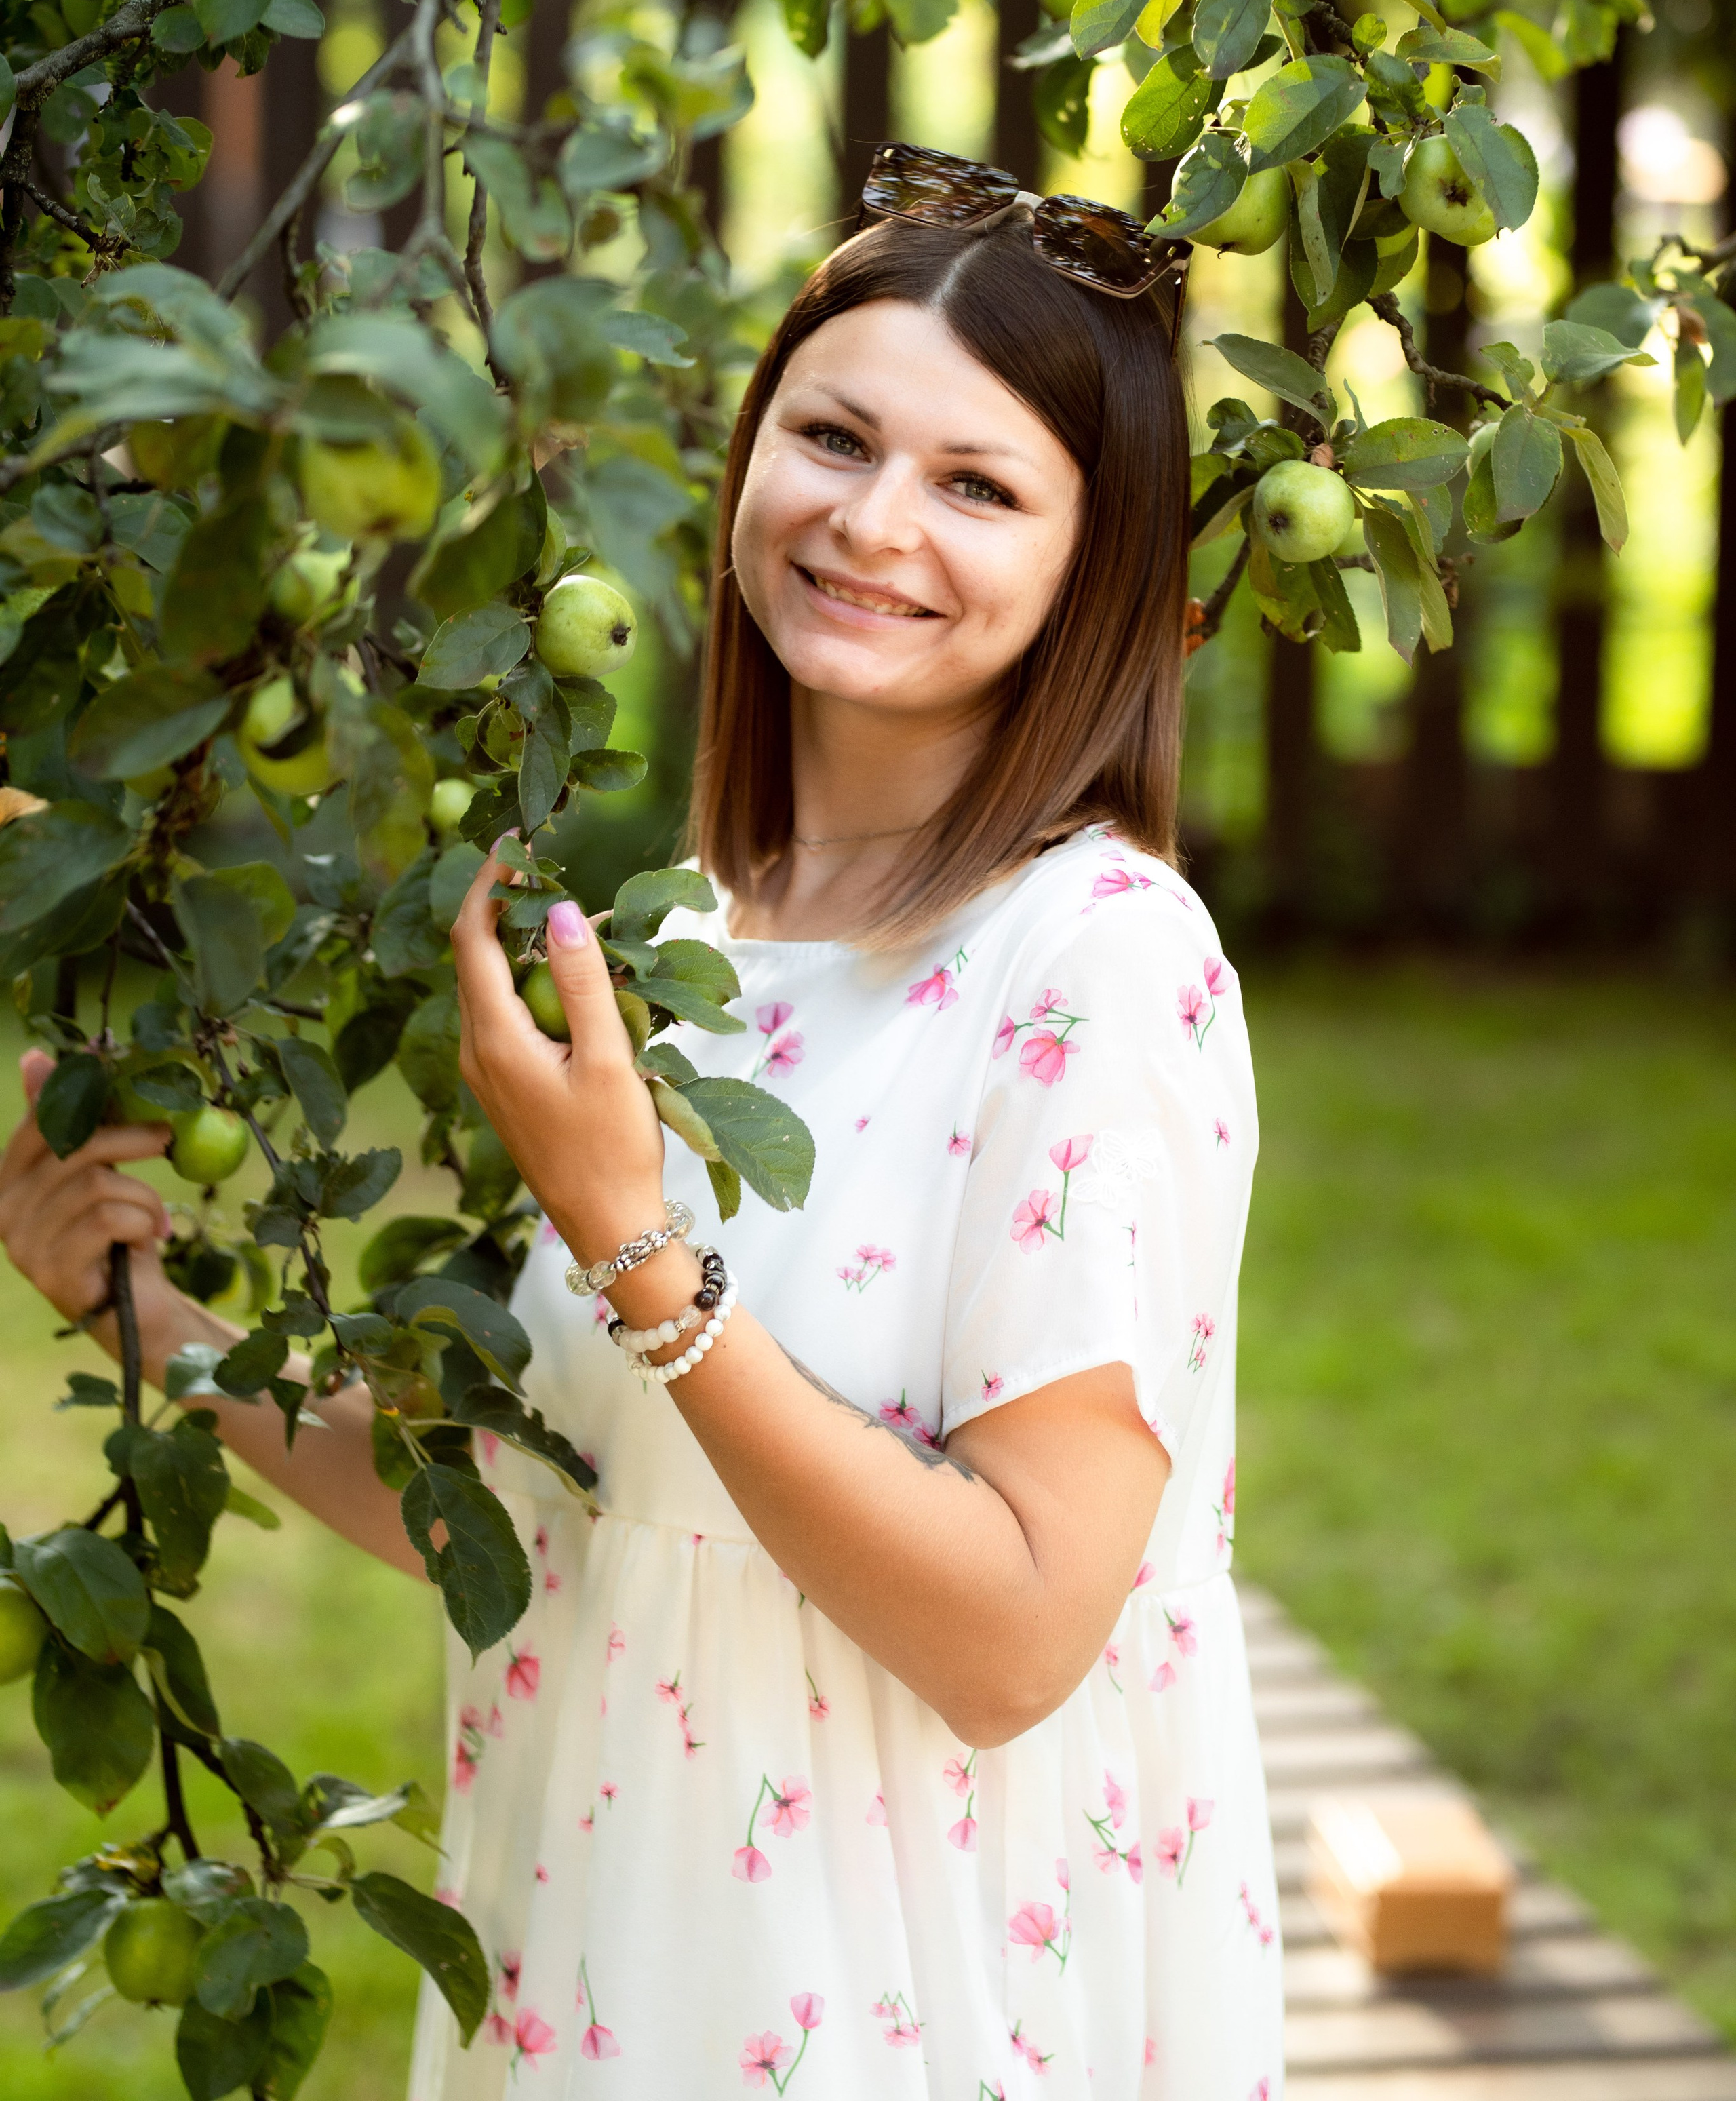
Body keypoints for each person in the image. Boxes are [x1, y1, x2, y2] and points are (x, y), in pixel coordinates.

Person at [0, 157, 1282, 2098]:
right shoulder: (684, 936)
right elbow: (551, 1523)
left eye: (977, 484)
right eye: (832, 436)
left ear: (1091, 563)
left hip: (897, 2009)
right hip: (609, 1971)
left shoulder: (1096, 960)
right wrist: (149, 1317)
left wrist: (637, 1253)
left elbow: (1020, 1637)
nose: (870, 522)